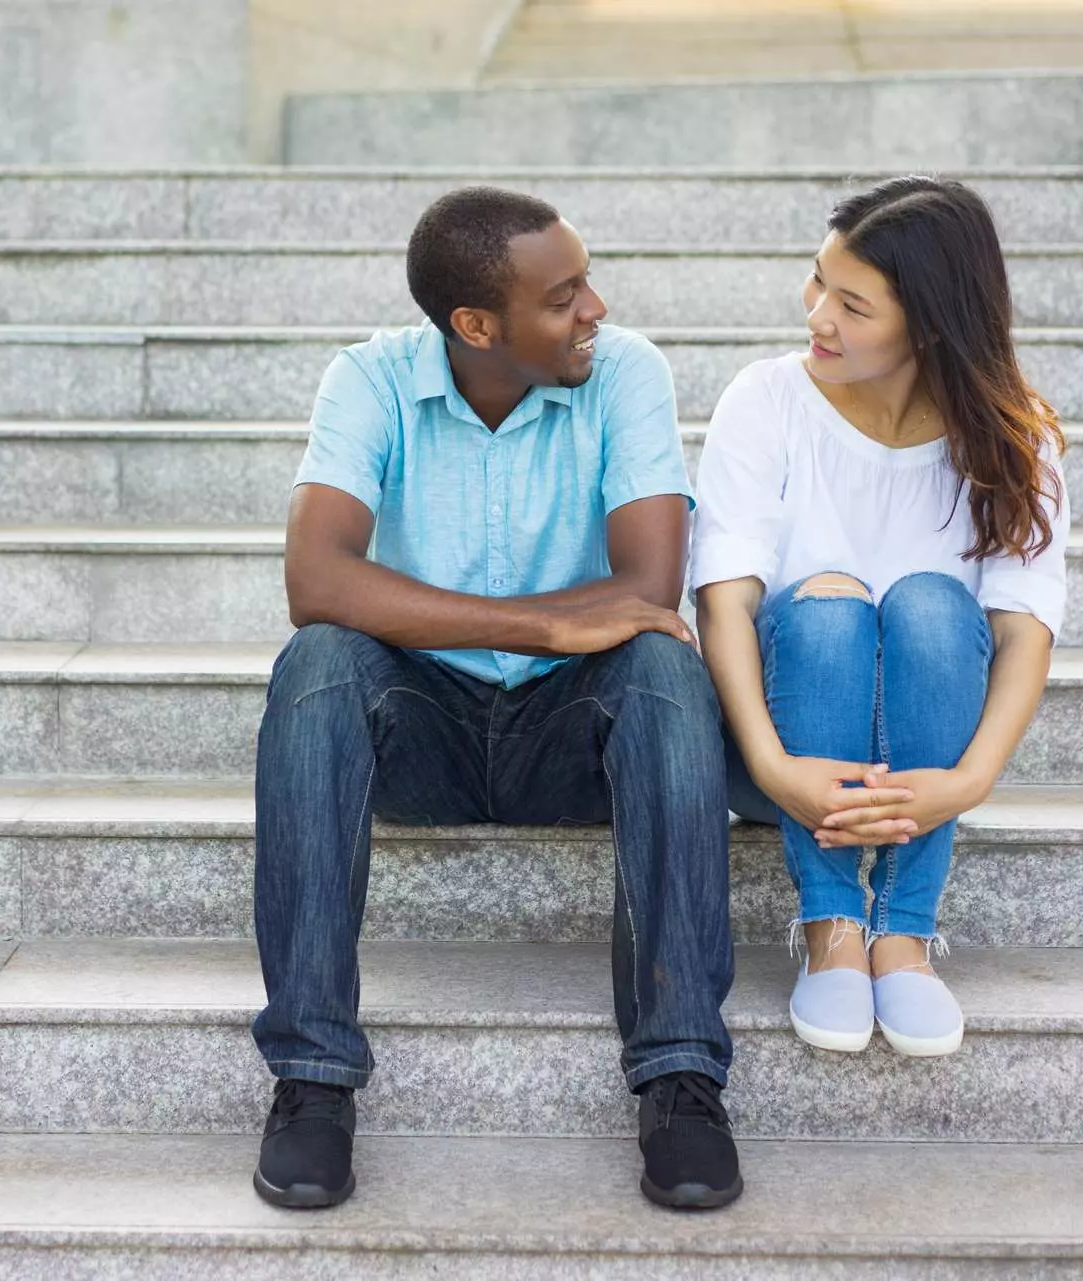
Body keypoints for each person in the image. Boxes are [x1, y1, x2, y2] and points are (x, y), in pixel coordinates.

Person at [251, 185, 740, 1211]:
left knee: (663, 670)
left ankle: (681, 1076)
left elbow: (647, 593)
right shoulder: (371, 380)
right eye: (563, 296)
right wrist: (537, 622)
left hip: (573, 730)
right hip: (420, 728)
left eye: (587, 282)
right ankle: (312, 1080)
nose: (595, 309)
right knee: (319, 667)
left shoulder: (626, 374)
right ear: (477, 324)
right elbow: (318, 582)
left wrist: (555, 639)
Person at [692, 176, 1068, 1058]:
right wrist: (770, 761)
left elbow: (1023, 628)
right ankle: (831, 922)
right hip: (778, 749)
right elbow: (724, 596)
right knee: (826, 599)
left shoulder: (1016, 440)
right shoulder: (767, 398)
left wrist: (968, 781)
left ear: (929, 323)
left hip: (927, 760)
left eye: (852, 304)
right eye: (818, 281)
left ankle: (904, 929)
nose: (818, 315)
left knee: (934, 603)